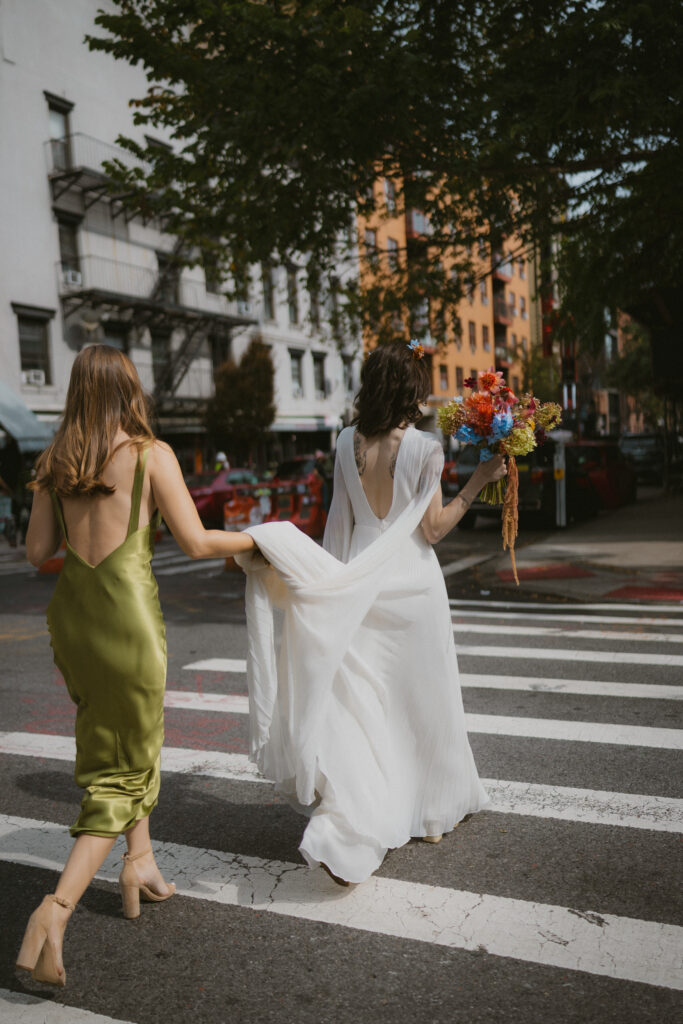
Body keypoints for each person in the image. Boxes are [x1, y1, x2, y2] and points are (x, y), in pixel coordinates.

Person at [17, 345, 255, 987]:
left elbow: (37, 552)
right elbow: (199, 541)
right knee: (124, 768)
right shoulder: (152, 455)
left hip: (74, 621)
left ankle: (140, 862)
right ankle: (54, 909)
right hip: (129, 622)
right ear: (127, 391)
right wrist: (264, 540)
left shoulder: (54, 464)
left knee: (118, 742)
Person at [237, 341, 506, 884]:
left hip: (361, 579)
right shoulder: (426, 447)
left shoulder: (344, 444)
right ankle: (429, 813)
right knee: (423, 701)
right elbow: (431, 529)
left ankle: (361, 805)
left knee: (366, 708)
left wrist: (333, 589)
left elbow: (338, 522)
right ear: (412, 389)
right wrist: (480, 480)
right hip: (412, 585)